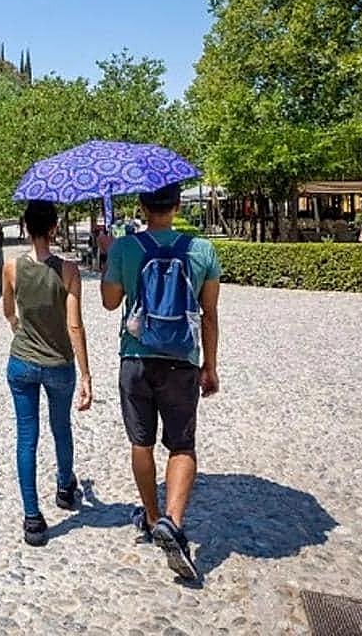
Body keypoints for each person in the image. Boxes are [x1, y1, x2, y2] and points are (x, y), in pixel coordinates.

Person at [101, 183, 221, 581]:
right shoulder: (201, 250)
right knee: (182, 445)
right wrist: (210, 365)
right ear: (177, 205)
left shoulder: (126, 247)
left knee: (141, 442)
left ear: (142, 206)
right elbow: (209, 315)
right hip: (181, 361)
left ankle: (153, 518)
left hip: (135, 358)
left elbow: (109, 301)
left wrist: (110, 253)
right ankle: (174, 520)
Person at [2, 200, 93, 547]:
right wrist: (86, 375)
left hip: (21, 363)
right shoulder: (68, 271)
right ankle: (65, 488)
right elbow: (74, 326)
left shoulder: (11, 268)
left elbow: (9, 313)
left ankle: (32, 519)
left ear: (25, 228)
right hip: (59, 366)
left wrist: (21, 333)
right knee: (61, 428)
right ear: (54, 228)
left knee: (27, 438)